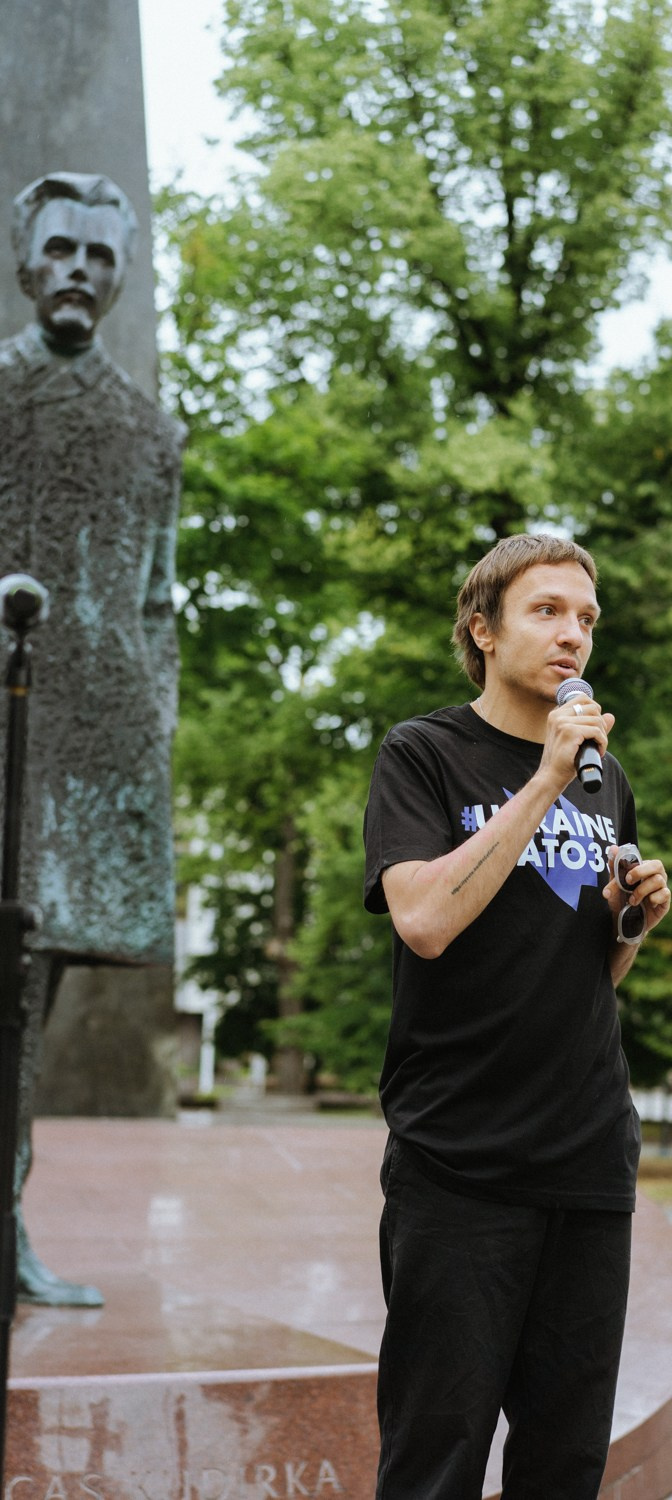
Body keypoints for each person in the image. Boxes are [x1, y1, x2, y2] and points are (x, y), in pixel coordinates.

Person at [363, 533, 672, 1500]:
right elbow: (424, 921)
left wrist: (633, 924)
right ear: (482, 629)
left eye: (586, 618)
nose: (573, 635)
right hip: (461, 1162)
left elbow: (582, 977)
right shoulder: (426, 755)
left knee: (565, 1463)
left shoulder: (605, 778)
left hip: (586, 1160)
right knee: (436, 1455)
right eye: (547, 611)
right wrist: (542, 781)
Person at [0, 173, 183, 1304]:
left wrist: (150, 716)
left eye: (100, 256)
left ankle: (6, 1220)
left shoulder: (149, 431)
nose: (79, 269)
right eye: (60, 248)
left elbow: (158, 598)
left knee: (32, 998)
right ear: (26, 262)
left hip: (94, 745)